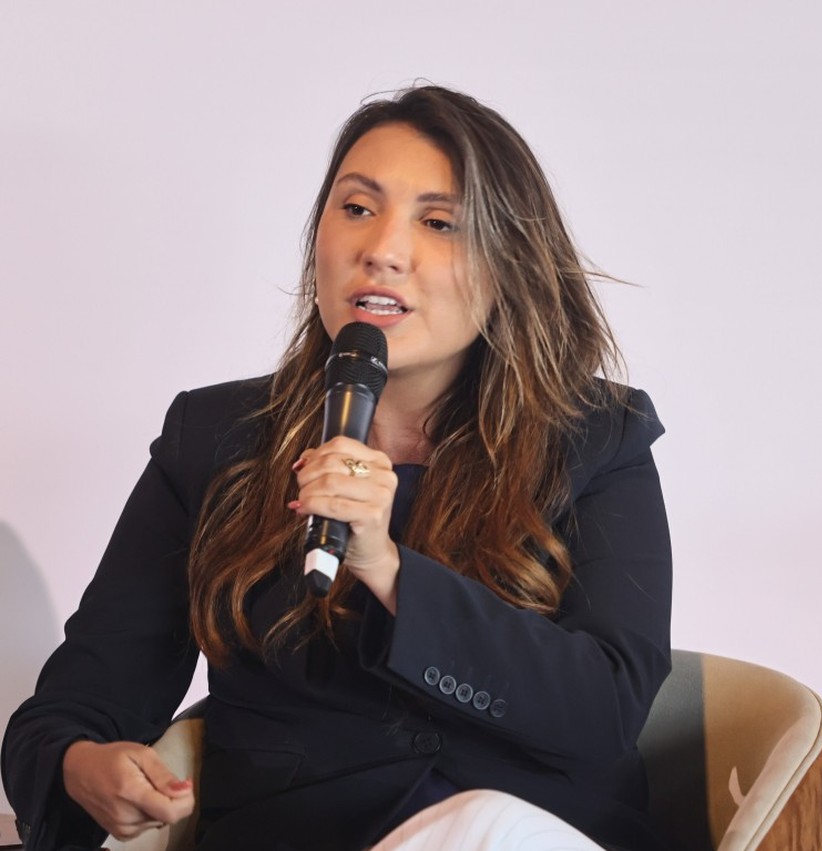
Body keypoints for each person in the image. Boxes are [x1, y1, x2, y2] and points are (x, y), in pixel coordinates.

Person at [2, 85, 672, 851]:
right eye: (357, 208)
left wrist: (388, 569)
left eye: (438, 222)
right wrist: (80, 765)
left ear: (508, 264)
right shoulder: (217, 441)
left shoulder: (594, 438)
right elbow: (71, 711)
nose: (382, 249)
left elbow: (606, 710)